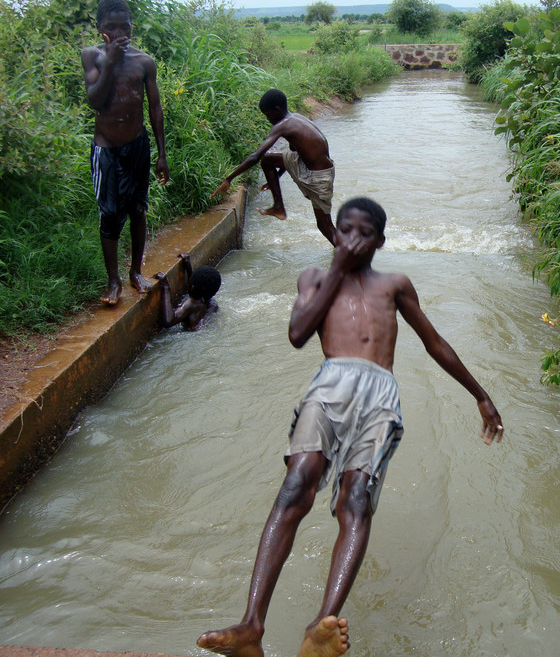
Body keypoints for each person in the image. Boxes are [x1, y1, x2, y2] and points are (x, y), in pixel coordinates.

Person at [196, 197, 503, 657]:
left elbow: (434, 341)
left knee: (355, 501)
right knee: (295, 485)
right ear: (334, 234)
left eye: (363, 232)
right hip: (330, 383)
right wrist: (337, 267)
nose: (352, 239)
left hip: (381, 395)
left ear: (379, 241)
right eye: (345, 230)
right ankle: (250, 626)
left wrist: (480, 394)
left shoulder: (394, 284)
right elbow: (298, 333)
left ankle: (321, 626)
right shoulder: (316, 278)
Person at [81, 0, 169, 306]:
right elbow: (95, 99)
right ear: (100, 29)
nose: (118, 33)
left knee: (137, 209)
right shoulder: (92, 56)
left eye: (124, 27)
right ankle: (113, 281)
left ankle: (135, 272)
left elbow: (155, 108)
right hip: (106, 147)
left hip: (137, 146)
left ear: (131, 28)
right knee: (109, 213)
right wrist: (111, 62)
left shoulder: (144, 61)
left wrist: (161, 153)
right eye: (111, 28)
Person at [212, 88, 336, 245]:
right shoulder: (297, 118)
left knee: (325, 226)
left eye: (268, 115)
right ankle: (278, 207)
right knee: (268, 160)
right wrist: (276, 177)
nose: (268, 119)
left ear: (277, 110)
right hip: (312, 167)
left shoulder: (283, 125)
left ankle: (353, 263)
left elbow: (254, 157)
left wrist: (229, 178)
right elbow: (293, 155)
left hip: (318, 177)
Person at [152, 253, 220, 331]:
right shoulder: (212, 304)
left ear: (191, 287)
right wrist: (188, 267)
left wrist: (166, 287)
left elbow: (169, 321)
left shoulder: (191, 304)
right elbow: (196, 286)